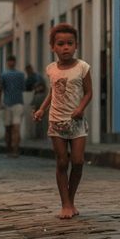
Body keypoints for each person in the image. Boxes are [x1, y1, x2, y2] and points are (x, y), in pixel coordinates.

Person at [33, 23, 93, 219]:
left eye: (70, 43)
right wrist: (42, 109)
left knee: (78, 161)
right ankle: (65, 204)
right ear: (52, 47)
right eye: (60, 44)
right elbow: (52, 92)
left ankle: (71, 199)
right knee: (61, 162)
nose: (66, 47)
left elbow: (89, 92)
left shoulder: (82, 67)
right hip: (56, 121)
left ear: (76, 44)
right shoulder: (51, 69)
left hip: (76, 122)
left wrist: (81, 108)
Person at [0, 55, 26, 158]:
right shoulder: (21, 74)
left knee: (8, 129)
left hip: (7, 103)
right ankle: (15, 151)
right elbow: (23, 87)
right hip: (18, 102)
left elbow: (0, 89)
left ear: (8, 62)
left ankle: (9, 151)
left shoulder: (3, 75)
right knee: (16, 129)